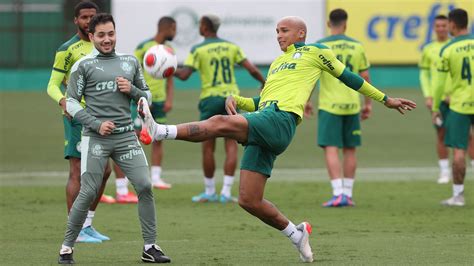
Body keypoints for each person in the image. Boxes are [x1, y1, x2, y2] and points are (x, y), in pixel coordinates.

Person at [138, 16, 416, 262]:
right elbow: (262, 100)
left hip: (281, 121)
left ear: (301, 34)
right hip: (268, 119)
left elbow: (349, 77)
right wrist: (239, 99)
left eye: (284, 30)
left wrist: (386, 99)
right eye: (276, 31)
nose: (279, 35)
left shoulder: (317, 51)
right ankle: (297, 235)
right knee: (248, 199)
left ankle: (159, 130)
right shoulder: (277, 64)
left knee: (220, 123)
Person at [57, 13, 170, 264]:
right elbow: (71, 103)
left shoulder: (130, 62)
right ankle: (66, 248)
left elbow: (147, 98)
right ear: (91, 36)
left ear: (115, 34)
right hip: (95, 138)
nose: (107, 39)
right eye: (101, 35)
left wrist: (133, 91)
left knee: (144, 185)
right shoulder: (83, 65)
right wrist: (96, 124)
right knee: (87, 192)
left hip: (126, 137)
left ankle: (150, 247)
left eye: (111, 34)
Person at [174, 14, 265, 203]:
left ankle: (209, 191)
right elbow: (252, 69)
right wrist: (264, 82)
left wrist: (167, 70)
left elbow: (184, 75)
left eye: (200, 24)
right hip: (231, 99)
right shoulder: (231, 47)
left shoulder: (199, 49)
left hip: (210, 99)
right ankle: (225, 192)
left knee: (208, 146)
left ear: (205, 28)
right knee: (231, 145)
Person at [46, 1, 110, 243]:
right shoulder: (67, 49)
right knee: (77, 171)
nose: (88, 21)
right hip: (77, 117)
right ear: (76, 20)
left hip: (102, 115)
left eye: (92, 16)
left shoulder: (103, 45)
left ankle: (88, 223)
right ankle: (75, 230)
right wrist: (63, 102)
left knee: (104, 171)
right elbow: (52, 84)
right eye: (84, 17)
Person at [304, 8, 372, 207]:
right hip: (352, 105)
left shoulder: (320, 46)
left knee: (331, 148)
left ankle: (337, 193)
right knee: (350, 149)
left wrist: (307, 101)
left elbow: (312, 78)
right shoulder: (357, 46)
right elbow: (365, 77)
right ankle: (348, 194)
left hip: (329, 106)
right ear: (346, 24)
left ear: (328, 24)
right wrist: (368, 104)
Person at [432, 8, 473, 207]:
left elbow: (439, 84)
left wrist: (435, 108)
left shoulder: (447, 50)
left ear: (453, 25)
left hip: (460, 105)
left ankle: (458, 196)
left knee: (458, 151)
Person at [133, 16, 177, 190]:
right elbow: (133, 72)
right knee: (135, 137)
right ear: (169, 28)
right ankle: (135, 175)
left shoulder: (169, 50)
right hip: (143, 100)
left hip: (159, 101)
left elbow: (171, 78)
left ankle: (156, 177)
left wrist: (169, 99)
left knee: (159, 137)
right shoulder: (143, 47)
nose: (175, 33)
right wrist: (140, 98)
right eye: (175, 29)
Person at [419, 15, 453, 184]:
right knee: (441, 133)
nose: (441, 28)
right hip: (437, 100)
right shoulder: (429, 48)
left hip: (457, 98)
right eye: (438, 26)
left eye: (444, 25)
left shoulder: (454, 46)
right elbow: (424, 73)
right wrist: (428, 96)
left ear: (449, 26)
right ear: (434, 28)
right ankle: (445, 171)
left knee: (469, 134)